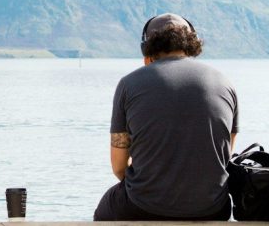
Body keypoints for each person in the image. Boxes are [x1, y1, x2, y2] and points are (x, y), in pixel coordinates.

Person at [94, 13, 238, 221]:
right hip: (213, 208)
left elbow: (118, 167)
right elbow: (223, 156)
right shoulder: (225, 83)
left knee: (105, 208)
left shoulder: (128, 84)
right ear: (192, 41)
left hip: (143, 207)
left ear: (147, 48)